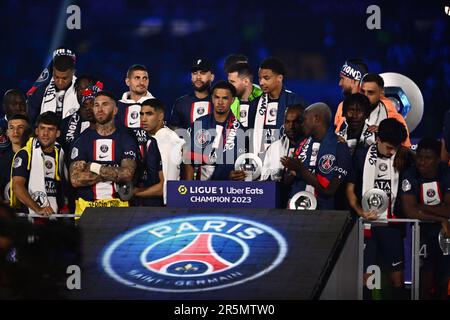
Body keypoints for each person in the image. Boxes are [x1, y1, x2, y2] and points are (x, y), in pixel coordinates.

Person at [346, 118, 411, 300]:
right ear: (378, 139)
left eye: (395, 148)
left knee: (397, 278)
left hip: (393, 227)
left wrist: (404, 153)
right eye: (389, 147)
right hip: (367, 227)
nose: (392, 152)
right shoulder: (361, 155)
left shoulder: (402, 157)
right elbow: (350, 191)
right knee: (367, 278)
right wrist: (360, 212)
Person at [69, 91, 138, 217]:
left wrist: (95, 168)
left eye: (105, 104)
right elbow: (75, 179)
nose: (100, 109)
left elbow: (127, 174)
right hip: (87, 209)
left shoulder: (126, 139)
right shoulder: (82, 140)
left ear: (115, 110)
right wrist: (114, 173)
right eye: (96, 105)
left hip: (119, 208)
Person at [400, 138, 450, 299]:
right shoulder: (410, 174)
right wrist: (440, 218)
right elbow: (409, 211)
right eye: (420, 157)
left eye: (427, 158)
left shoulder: (446, 173)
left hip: (445, 235)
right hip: (423, 234)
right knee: (424, 279)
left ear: (437, 160)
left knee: (443, 280)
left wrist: (421, 206)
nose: (421, 162)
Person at [281, 102, 351, 210]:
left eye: (304, 120)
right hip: (295, 212)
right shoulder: (302, 143)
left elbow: (328, 191)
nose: (301, 124)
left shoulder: (340, 147)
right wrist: (291, 170)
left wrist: (301, 169)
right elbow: (286, 182)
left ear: (316, 119)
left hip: (323, 216)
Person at [184, 80, 245, 181]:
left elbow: (242, 165)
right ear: (212, 98)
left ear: (232, 100)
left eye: (225, 98)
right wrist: (189, 188)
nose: (220, 102)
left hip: (227, 188)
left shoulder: (239, 129)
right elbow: (189, 160)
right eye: (217, 97)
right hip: (201, 189)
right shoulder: (200, 123)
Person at [249, 57, 306, 158]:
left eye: (266, 78)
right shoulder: (255, 104)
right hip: (260, 162)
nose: (261, 83)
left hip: (287, 159)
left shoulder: (295, 101)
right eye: (260, 78)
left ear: (279, 78)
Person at [10, 112, 65, 216]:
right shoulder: (25, 154)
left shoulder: (61, 154)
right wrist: (38, 209)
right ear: (36, 131)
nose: (45, 133)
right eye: (42, 128)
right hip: (31, 218)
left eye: (50, 129)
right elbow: (17, 186)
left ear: (57, 133)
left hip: (55, 217)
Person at [139, 98, 184, 205]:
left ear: (160, 117)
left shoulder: (166, 140)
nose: (143, 119)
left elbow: (165, 187)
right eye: (141, 114)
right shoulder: (156, 138)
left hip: (163, 208)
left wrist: (135, 193)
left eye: (149, 114)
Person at [358, 73, 412, 147]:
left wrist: (385, 133)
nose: (365, 96)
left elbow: (405, 150)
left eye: (370, 92)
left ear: (381, 93)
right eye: (362, 91)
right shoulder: (349, 110)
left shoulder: (395, 118)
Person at [27, 48, 79, 124]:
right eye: (57, 77)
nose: (60, 82)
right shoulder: (41, 91)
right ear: (53, 69)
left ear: (73, 72)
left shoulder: (82, 89)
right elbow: (30, 120)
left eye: (64, 78)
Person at [116, 64, 155, 157]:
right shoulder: (117, 107)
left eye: (145, 78)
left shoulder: (156, 106)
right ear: (127, 81)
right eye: (137, 78)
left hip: (150, 163)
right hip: (122, 162)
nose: (142, 82)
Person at [168, 58, 214, 130]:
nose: (198, 77)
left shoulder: (219, 101)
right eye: (195, 73)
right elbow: (174, 133)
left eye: (202, 73)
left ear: (212, 77)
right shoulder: (181, 103)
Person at [59, 78, 102, 153]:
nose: (83, 92)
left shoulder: (108, 119)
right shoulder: (65, 124)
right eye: (79, 90)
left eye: (87, 88)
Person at [0, 115, 31, 204]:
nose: (15, 132)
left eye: (20, 127)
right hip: (9, 213)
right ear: (7, 132)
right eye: (11, 128)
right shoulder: (2, 161)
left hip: (32, 211)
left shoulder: (37, 156)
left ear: (28, 131)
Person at [334, 58, 368, 127]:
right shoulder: (341, 106)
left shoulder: (379, 105)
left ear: (355, 81)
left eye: (342, 78)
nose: (339, 83)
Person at [0, 89, 27, 155]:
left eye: (22, 104)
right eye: (14, 104)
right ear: (4, 107)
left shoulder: (32, 126)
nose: (18, 108)